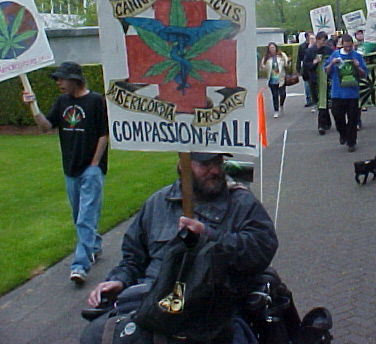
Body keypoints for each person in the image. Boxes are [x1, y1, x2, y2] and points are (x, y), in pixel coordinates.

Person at [82, 152, 278, 344]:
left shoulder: (241, 203)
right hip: (153, 306)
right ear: (182, 165)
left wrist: (209, 237)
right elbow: (133, 259)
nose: (215, 170)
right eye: (205, 164)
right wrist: (119, 281)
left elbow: (262, 248)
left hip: (215, 309)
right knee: (96, 335)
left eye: (218, 162)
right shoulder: (157, 203)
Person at [22, 61, 108, 285]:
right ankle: (94, 245)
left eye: (62, 79)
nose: (59, 83)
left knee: (85, 218)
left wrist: (94, 164)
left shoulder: (96, 101)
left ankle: (80, 265)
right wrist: (34, 108)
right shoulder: (62, 102)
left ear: (75, 79)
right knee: (79, 214)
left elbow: (103, 134)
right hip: (70, 169)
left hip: (91, 169)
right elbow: (45, 127)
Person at [324, 34, 368, 152]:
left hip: (352, 93)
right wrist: (332, 63)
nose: (348, 49)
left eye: (350, 46)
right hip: (337, 93)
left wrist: (358, 67)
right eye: (346, 46)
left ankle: (351, 142)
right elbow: (327, 71)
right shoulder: (335, 55)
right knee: (338, 116)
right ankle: (343, 133)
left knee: (353, 119)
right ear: (342, 44)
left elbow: (364, 75)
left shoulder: (357, 56)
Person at [303, 31, 334, 134]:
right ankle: (326, 122)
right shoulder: (310, 51)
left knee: (324, 101)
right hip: (315, 79)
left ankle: (321, 125)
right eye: (321, 41)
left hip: (327, 80)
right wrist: (314, 62)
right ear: (317, 40)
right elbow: (306, 66)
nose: (323, 43)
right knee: (320, 101)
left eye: (324, 41)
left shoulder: (328, 50)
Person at [260, 42, 289, 118]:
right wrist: (264, 66)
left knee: (283, 94)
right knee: (275, 95)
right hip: (272, 79)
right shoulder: (267, 57)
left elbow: (286, 64)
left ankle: (281, 104)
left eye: (273, 47)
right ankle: (276, 110)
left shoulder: (281, 55)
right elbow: (262, 66)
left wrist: (286, 61)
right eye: (270, 48)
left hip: (281, 78)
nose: (272, 49)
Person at [297, 32, 315, 107]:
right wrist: (298, 69)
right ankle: (309, 100)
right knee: (307, 85)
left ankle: (314, 100)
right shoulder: (302, 46)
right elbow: (299, 58)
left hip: (313, 67)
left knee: (313, 84)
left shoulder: (315, 46)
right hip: (306, 68)